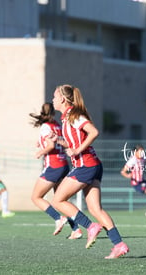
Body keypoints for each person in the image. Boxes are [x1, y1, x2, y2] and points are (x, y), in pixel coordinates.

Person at [51, 84, 129, 259]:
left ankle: (89, 226)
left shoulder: (74, 115)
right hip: (92, 165)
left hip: (85, 166)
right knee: (96, 209)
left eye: (54, 96)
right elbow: (75, 141)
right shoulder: (66, 118)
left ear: (63, 99)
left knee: (57, 200)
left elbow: (93, 132)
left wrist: (77, 150)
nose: (53, 100)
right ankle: (119, 244)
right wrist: (59, 140)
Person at [30, 103, 83, 239]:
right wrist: (40, 143)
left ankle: (58, 218)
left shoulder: (45, 126)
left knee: (36, 197)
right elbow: (55, 141)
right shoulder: (57, 125)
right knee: (61, 200)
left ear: (42, 113)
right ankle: (76, 229)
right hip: (63, 164)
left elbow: (51, 145)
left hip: (53, 166)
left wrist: (40, 152)